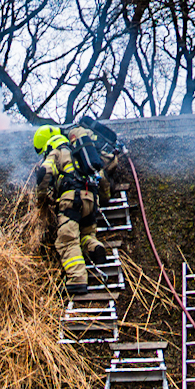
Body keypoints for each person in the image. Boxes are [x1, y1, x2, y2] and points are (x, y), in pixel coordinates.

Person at [32, 120, 121, 295]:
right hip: (91, 199)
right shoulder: (79, 153)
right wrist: (105, 197)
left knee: (67, 240)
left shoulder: (57, 151)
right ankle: (95, 248)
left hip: (72, 199)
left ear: (47, 144)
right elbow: (101, 175)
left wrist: (41, 198)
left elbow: (44, 172)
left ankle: (77, 279)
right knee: (86, 234)